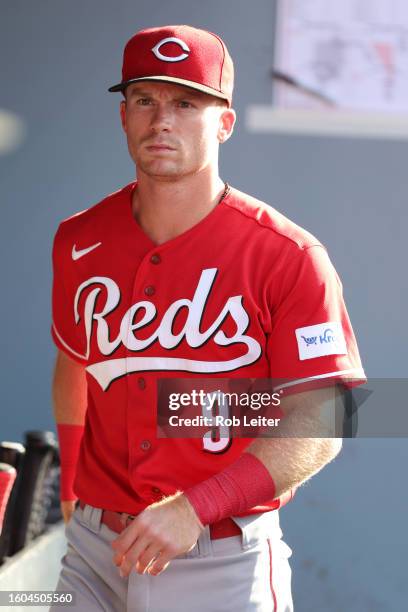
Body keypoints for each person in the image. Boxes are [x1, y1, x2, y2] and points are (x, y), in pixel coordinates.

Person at [50, 25, 366, 612]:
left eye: (186, 103)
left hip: (222, 557)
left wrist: (199, 504)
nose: (161, 120)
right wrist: (71, 485)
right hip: (95, 553)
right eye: (145, 99)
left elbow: (329, 415)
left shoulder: (288, 255)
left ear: (224, 122)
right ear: (123, 117)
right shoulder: (78, 240)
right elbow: (75, 366)